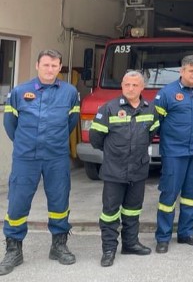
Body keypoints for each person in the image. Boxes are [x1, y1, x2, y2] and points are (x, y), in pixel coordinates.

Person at [0, 49, 80, 275]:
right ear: (37, 65)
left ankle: (59, 245)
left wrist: (53, 142)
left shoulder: (70, 92)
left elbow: (71, 122)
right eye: (46, 65)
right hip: (26, 157)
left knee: (59, 200)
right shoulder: (19, 91)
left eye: (54, 65)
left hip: (56, 157)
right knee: (18, 202)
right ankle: (14, 250)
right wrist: (26, 143)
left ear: (60, 67)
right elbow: (10, 125)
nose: (50, 69)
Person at [90, 70, 159, 267]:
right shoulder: (109, 108)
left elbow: (151, 133)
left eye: (135, 85)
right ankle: (109, 249)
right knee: (110, 212)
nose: (130, 88)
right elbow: (96, 139)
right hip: (115, 169)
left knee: (133, 210)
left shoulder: (150, 109)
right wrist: (115, 152)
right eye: (127, 84)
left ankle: (130, 244)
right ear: (122, 85)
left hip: (138, 169)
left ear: (142, 87)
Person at [154, 55, 193, 253]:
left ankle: (186, 233)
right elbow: (155, 123)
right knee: (169, 194)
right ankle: (163, 237)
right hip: (174, 153)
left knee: (192, 195)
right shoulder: (167, 93)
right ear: (182, 71)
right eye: (191, 70)